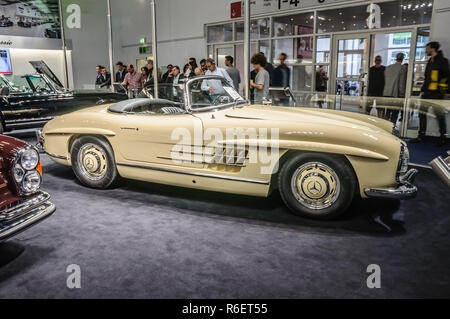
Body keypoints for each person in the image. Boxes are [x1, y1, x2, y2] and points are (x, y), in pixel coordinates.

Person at [411, 41, 449, 146]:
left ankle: (442, 138)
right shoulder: (430, 61)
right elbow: (427, 78)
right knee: (422, 114)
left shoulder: (443, 61)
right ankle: (421, 136)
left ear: (432, 49)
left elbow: (447, 76)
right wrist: (423, 90)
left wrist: (447, 91)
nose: (426, 50)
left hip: (437, 94)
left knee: (439, 116)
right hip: (427, 93)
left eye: (427, 48)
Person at [383, 53, 408, 124]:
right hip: (395, 93)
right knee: (395, 112)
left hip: (387, 93)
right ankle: (392, 126)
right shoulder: (403, 68)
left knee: (387, 111)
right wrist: (402, 94)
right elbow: (401, 83)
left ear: (396, 58)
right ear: (402, 58)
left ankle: (385, 125)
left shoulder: (388, 68)